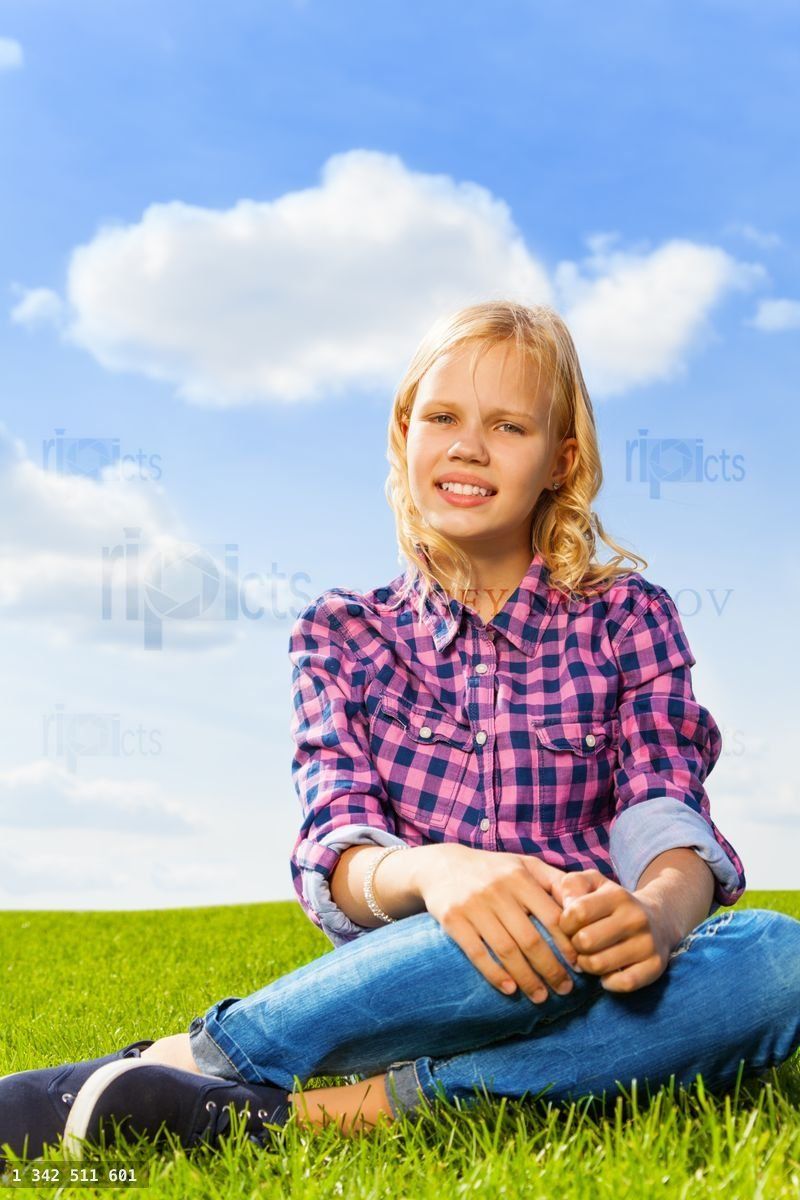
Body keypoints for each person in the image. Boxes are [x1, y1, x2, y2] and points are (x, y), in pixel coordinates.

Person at [3, 301, 799, 1166]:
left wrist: (654, 913)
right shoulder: (343, 632)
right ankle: (187, 1062)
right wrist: (438, 871)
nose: (468, 447)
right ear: (404, 432)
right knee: (526, 918)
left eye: (508, 426)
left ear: (561, 461)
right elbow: (339, 850)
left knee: (778, 959)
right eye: (443, 417)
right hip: (429, 976)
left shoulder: (627, 616)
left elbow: (663, 800)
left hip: (596, 959)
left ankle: (289, 1117)